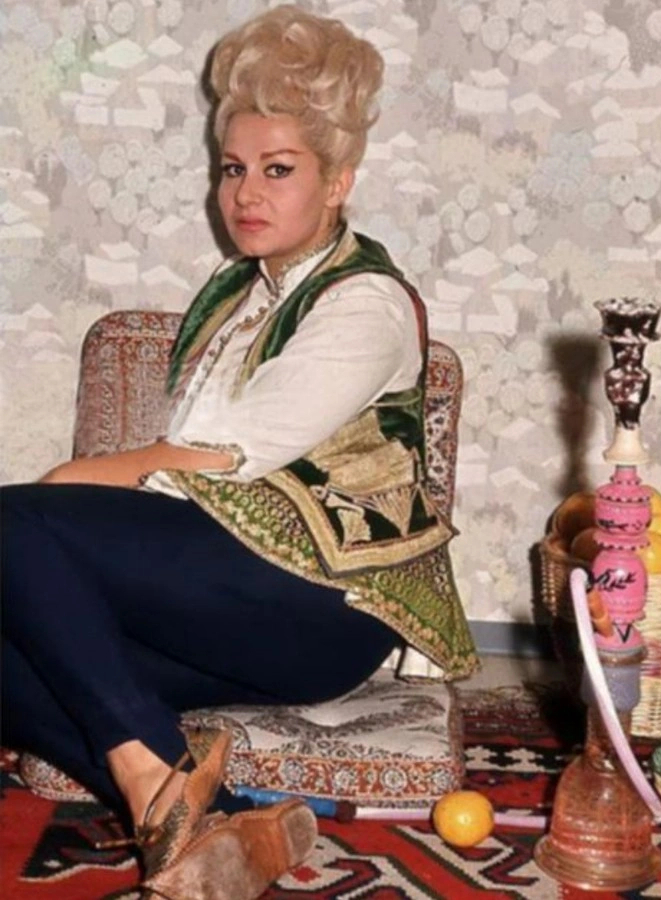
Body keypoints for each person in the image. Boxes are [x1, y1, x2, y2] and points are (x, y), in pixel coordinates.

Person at [1, 5, 478, 899]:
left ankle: (159, 787)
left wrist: (60, 492)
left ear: (338, 181)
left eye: (278, 169)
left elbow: (225, 458)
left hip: (328, 603)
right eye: (233, 169)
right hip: (234, 589)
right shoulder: (238, 295)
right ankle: (216, 819)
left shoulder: (366, 304)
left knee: (12, 525)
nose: (247, 193)